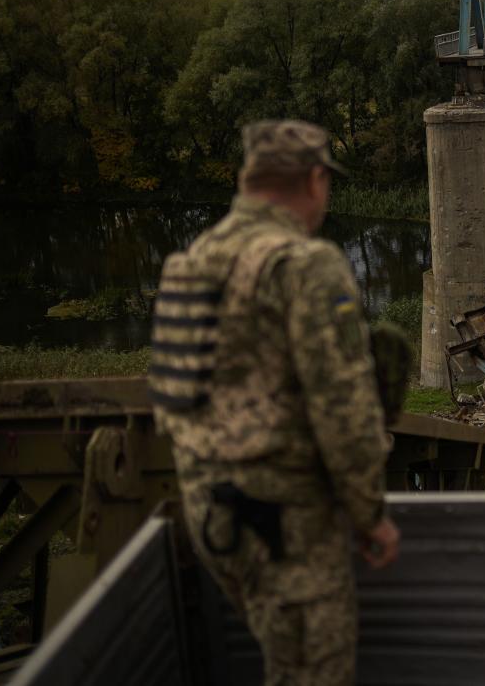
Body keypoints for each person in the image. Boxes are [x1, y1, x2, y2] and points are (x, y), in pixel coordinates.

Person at [148, 119, 400, 685]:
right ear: (315, 180)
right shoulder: (304, 264)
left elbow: (178, 400)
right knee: (312, 674)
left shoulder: (193, 261)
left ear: (246, 179)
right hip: (284, 520)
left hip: (209, 514)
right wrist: (369, 516)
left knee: (281, 659)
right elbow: (343, 406)